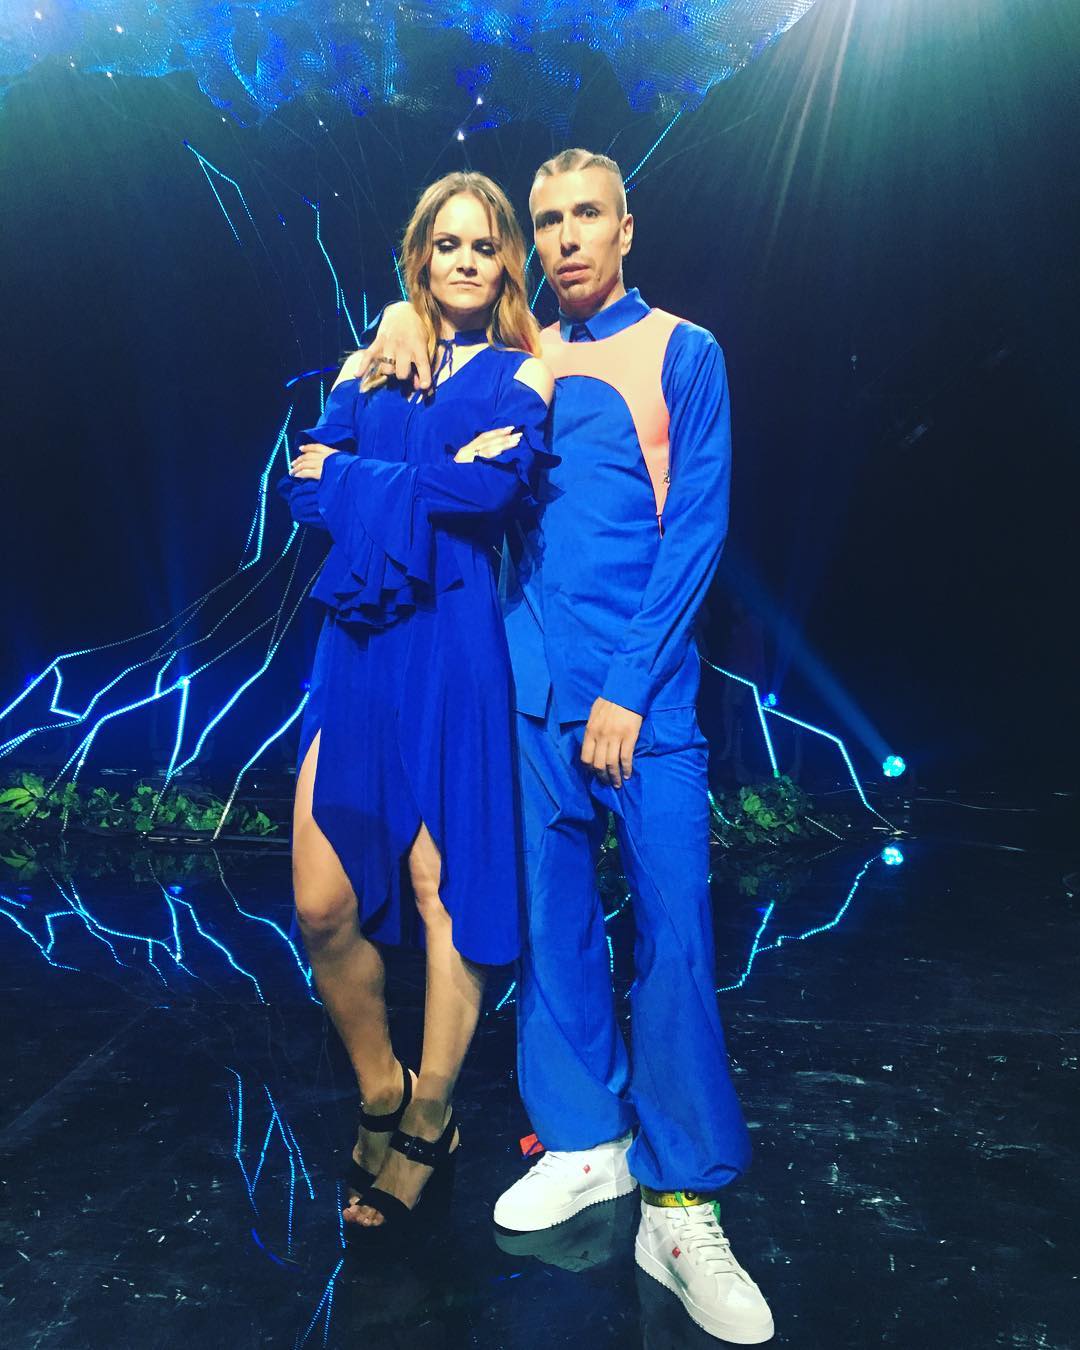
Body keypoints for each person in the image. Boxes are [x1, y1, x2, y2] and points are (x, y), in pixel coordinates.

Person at [361, 149, 775, 1342]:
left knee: (676, 937)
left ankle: (682, 1202)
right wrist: (396, 312)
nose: (566, 238)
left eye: (587, 216)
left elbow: (697, 530)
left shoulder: (685, 352)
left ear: (627, 228)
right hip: (527, 696)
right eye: (547, 222)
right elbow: (426, 367)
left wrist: (630, 689)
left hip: (644, 705)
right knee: (551, 932)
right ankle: (587, 1140)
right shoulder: (522, 354)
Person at [279, 171, 555, 1239]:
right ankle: (381, 1087)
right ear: (421, 258)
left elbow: (496, 493)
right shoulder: (370, 363)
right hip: (355, 645)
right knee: (320, 903)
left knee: (442, 886)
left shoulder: (523, 372)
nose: (467, 261)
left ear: (505, 262)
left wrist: (361, 478)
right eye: (448, 245)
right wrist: (421, 472)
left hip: (454, 645)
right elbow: (301, 489)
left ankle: (432, 1115)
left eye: (485, 245)